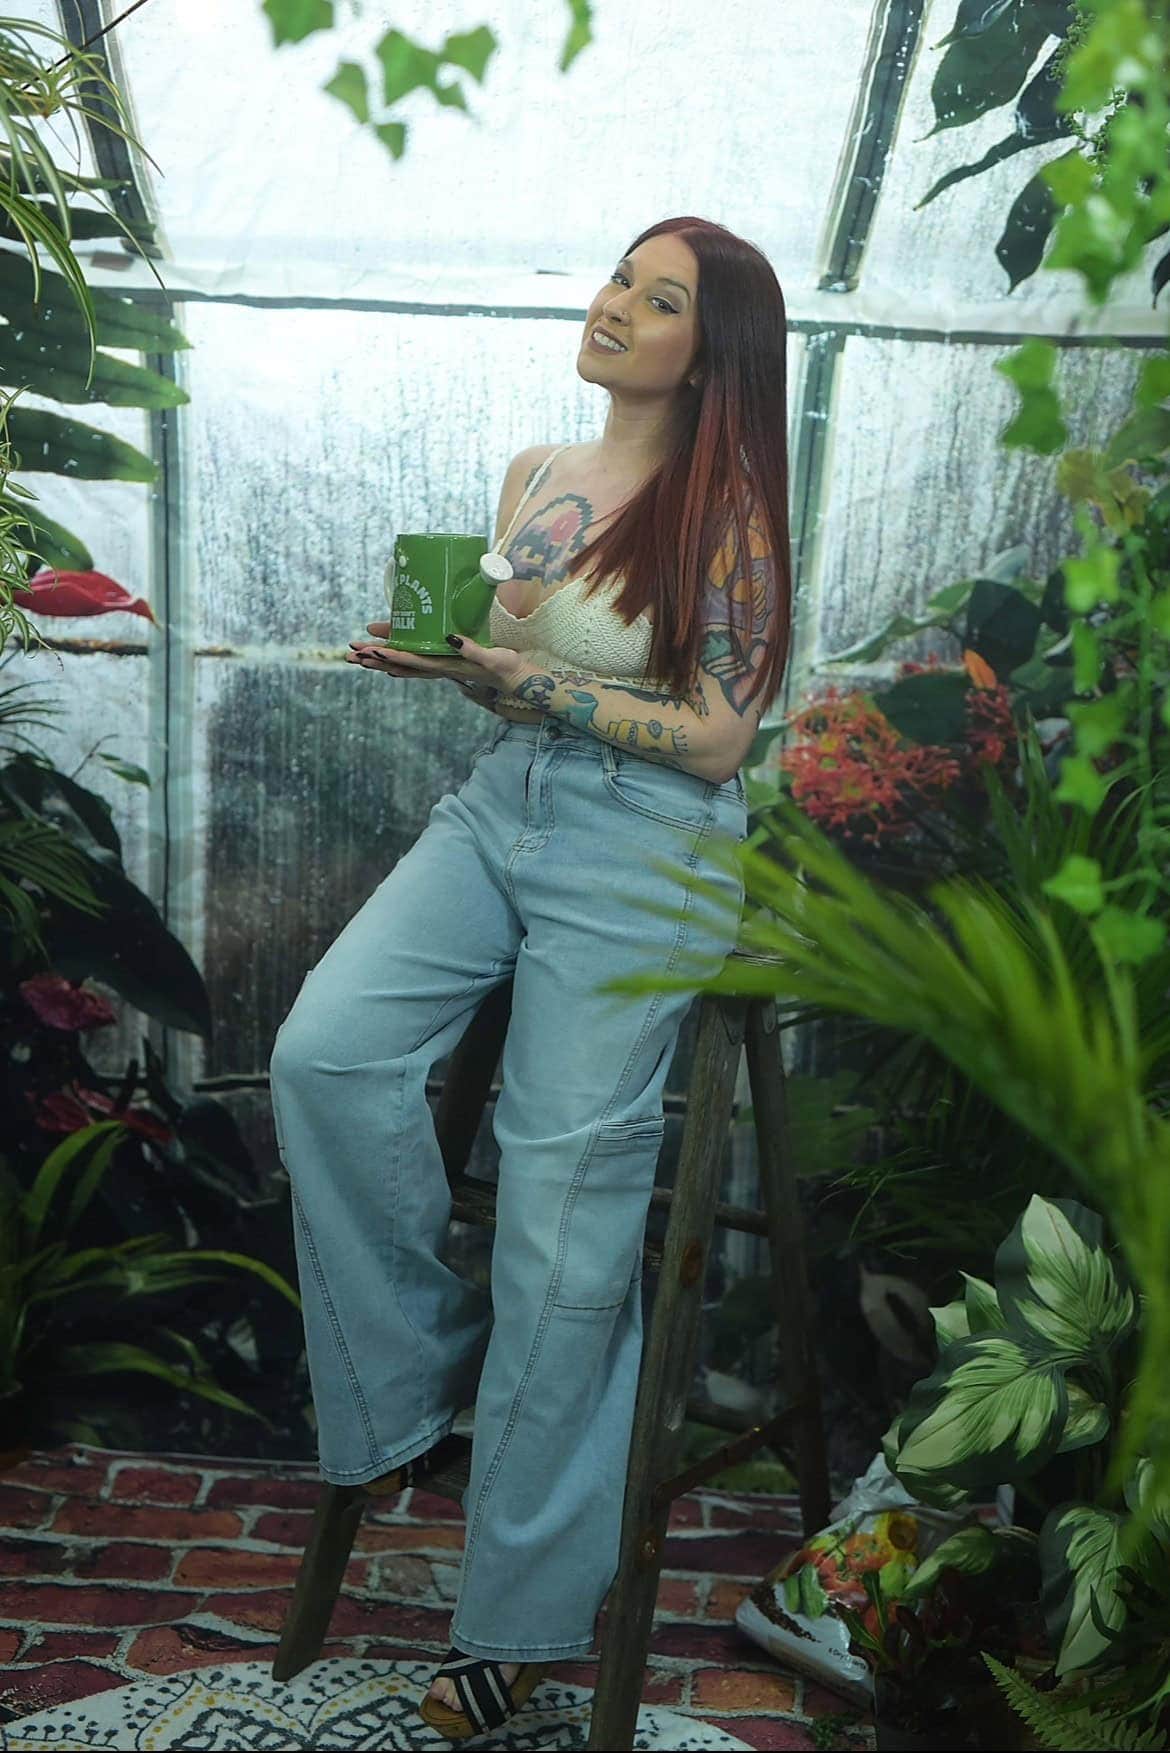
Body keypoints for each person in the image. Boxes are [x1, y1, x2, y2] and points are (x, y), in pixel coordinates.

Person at [268, 214, 793, 1741]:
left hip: (648, 845)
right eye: (620, 279)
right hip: (503, 802)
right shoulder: (533, 477)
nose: (616, 305)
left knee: (563, 1219)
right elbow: (499, 612)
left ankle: (509, 1624)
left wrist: (537, 682)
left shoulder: (730, 508)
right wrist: (444, 656)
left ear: (715, 348)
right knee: (324, 1050)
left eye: (660, 297)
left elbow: (714, 736)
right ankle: (429, 1378)